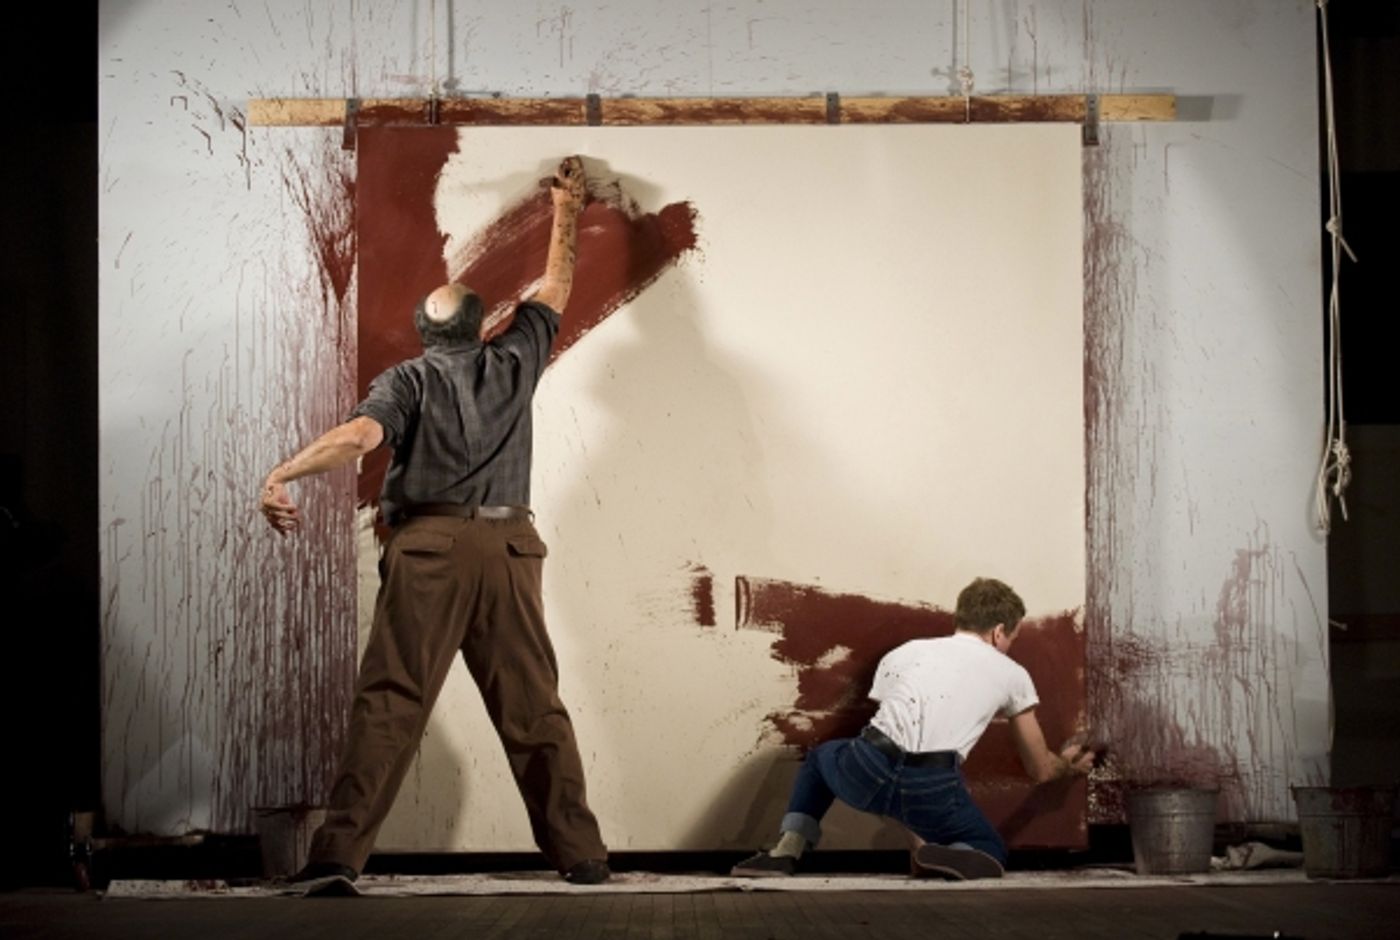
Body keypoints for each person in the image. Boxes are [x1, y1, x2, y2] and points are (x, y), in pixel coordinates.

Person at [259, 156, 611, 887]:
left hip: (431, 553)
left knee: (392, 702)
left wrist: (284, 473)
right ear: (483, 327)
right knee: (533, 706)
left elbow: (360, 439)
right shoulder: (516, 358)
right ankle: (581, 854)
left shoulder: (409, 379)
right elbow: (557, 285)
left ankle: (337, 856)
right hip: (512, 549)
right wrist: (567, 207)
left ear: (424, 331)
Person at [731, 576, 1095, 880]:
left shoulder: (907, 652)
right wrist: (1070, 766)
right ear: (1000, 631)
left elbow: (897, 730)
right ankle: (950, 853)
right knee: (990, 848)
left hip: (865, 767)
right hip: (931, 789)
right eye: (1011, 639)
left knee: (820, 758)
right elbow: (1040, 768)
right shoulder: (1013, 675)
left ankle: (787, 849)